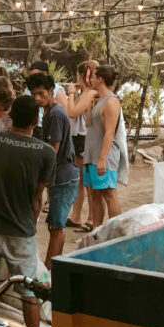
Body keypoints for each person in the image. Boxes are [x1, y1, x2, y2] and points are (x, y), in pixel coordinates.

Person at [0, 95, 55, 327]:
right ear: (35, 121)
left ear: (10, 117)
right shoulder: (46, 153)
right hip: (21, 230)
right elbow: (37, 200)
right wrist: (30, 224)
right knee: (29, 292)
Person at [27, 73, 79, 269]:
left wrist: (42, 177)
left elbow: (53, 149)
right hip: (59, 175)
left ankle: (49, 271)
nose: (37, 98)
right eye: (33, 95)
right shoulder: (49, 112)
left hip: (63, 176)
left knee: (57, 227)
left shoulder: (56, 114)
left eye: (41, 93)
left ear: (51, 91)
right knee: (53, 226)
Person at [83, 64, 127, 227]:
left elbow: (110, 132)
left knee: (108, 193)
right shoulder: (100, 101)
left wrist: (103, 159)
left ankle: (116, 230)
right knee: (94, 193)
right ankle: (97, 229)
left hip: (104, 156)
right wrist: (90, 105)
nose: (91, 80)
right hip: (91, 154)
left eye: (93, 76)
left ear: (100, 79)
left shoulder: (111, 101)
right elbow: (88, 124)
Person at [64, 60, 99, 230]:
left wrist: (70, 93)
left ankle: (92, 218)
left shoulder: (90, 93)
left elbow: (72, 112)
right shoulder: (85, 93)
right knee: (79, 180)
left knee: (87, 182)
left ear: (81, 75)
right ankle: (76, 216)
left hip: (84, 139)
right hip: (77, 137)